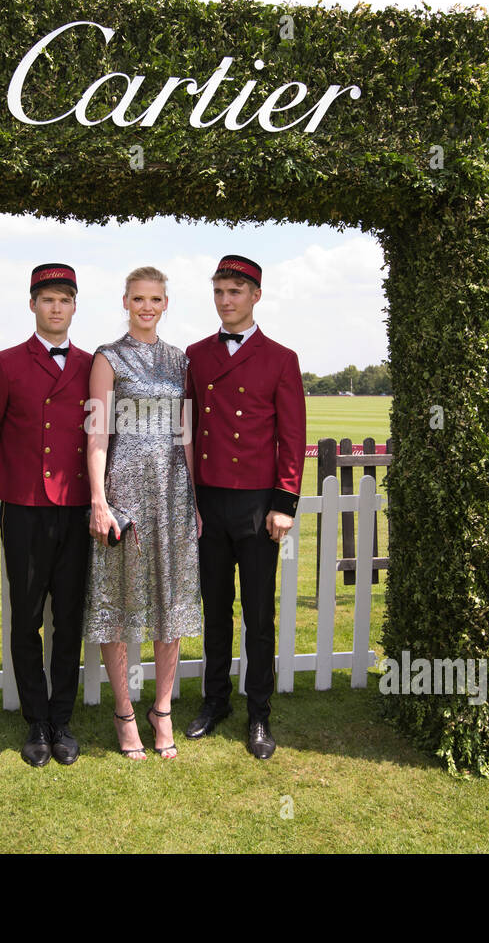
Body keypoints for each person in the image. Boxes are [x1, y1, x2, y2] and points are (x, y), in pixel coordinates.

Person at [0, 263, 92, 767]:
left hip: (78, 507)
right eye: (47, 299)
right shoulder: (6, 363)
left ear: (74, 306)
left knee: (69, 619)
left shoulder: (90, 364)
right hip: (24, 510)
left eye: (64, 299)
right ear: (32, 305)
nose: (55, 308)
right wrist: (19, 477)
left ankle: (62, 719)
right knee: (26, 620)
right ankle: (36, 721)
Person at [183, 254, 305, 759]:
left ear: (256, 295)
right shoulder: (195, 354)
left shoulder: (281, 357)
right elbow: (186, 430)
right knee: (215, 610)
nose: (226, 300)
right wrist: (187, 499)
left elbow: (291, 435)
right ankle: (215, 702)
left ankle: (259, 713)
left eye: (235, 290)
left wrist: (284, 502)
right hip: (209, 501)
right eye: (219, 291)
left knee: (258, 615)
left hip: (258, 505)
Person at [84, 266, 201, 760]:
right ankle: (125, 713)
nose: (147, 306)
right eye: (138, 298)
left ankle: (163, 711)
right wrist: (98, 500)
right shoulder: (107, 358)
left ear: (166, 302)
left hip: (174, 494)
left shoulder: (181, 360)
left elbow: (187, 433)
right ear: (125, 302)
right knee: (121, 605)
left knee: (169, 607)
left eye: (155, 298)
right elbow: (96, 434)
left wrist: (195, 498)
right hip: (124, 496)